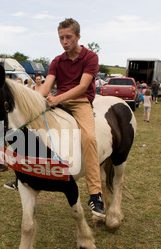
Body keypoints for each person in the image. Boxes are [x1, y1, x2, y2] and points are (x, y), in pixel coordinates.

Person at [39, 18, 105, 217]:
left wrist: (58, 99)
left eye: (68, 37)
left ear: (78, 37)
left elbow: (83, 87)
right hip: (58, 100)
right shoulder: (57, 61)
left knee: (89, 138)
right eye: (61, 38)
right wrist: (38, 99)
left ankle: (95, 195)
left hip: (80, 102)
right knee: (29, 129)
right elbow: (46, 86)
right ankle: (21, 178)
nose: (64, 41)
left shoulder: (90, 57)